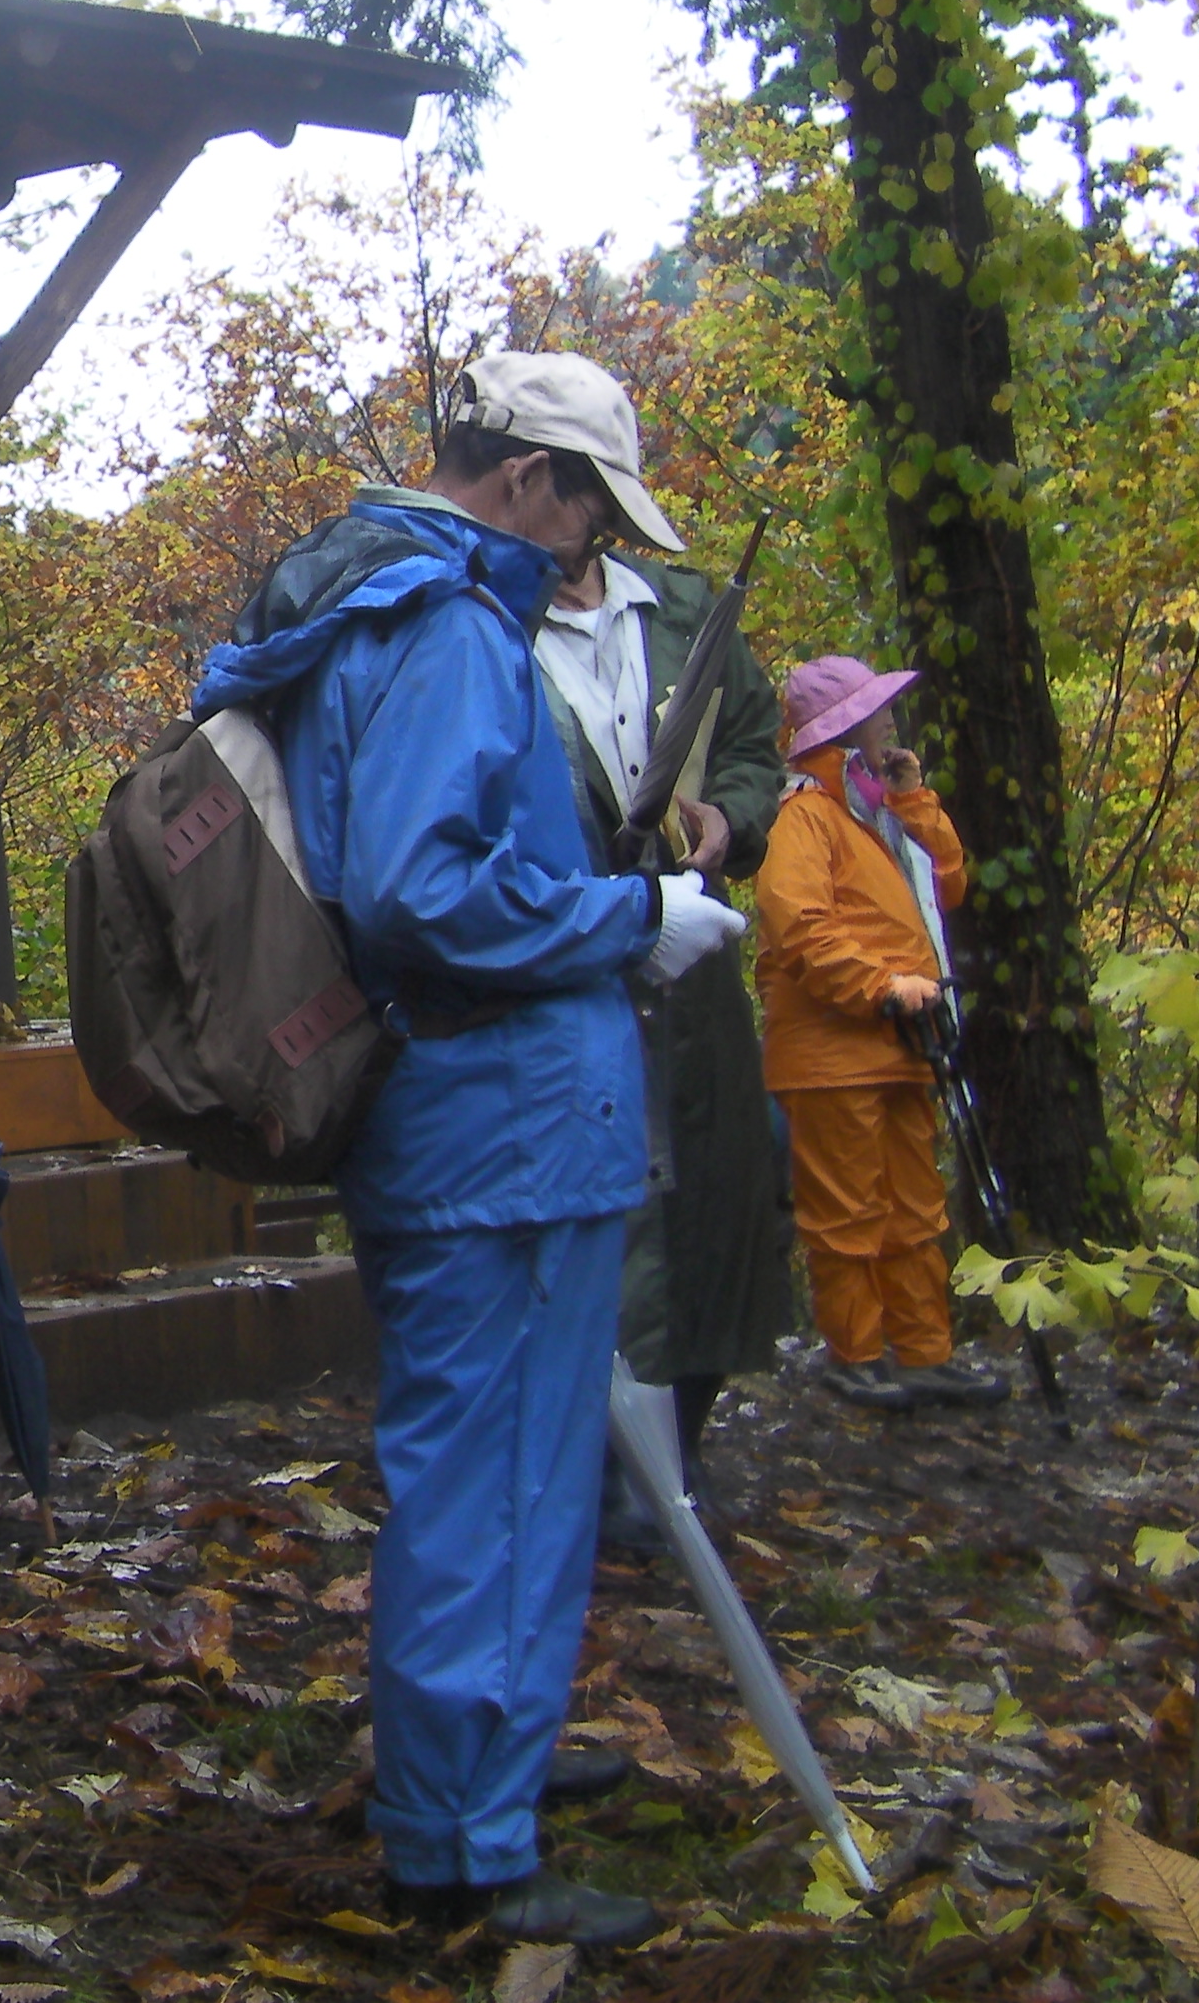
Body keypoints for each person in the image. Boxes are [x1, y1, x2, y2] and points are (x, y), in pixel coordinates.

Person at [198, 353, 740, 1949]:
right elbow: (423, 890)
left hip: (469, 1117)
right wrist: (637, 915)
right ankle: (463, 1851)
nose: (587, 552)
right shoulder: (439, 623)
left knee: (492, 1469)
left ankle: (476, 1763)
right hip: (495, 1124)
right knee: (497, 1483)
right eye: (585, 513)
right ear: (528, 479)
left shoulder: (362, 604)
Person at [533, 530, 789, 1531]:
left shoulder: (679, 610)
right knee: (603, 1206)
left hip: (698, 960)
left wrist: (727, 818)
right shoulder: (483, 627)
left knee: (720, 1196)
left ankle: (680, 1445)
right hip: (571, 960)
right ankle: (605, 1467)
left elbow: (754, 745)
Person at [752, 654, 1000, 1411]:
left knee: (916, 1208)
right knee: (847, 1212)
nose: (891, 718)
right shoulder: (804, 817)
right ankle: (854, 1356)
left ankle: (925, 1353)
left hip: (902, 1046)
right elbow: (801, 928)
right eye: (877, 709)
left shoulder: (879, 810)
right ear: (846, 730)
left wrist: (913, 796)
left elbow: (950, 882)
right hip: (832, 1054)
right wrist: (883, 987)